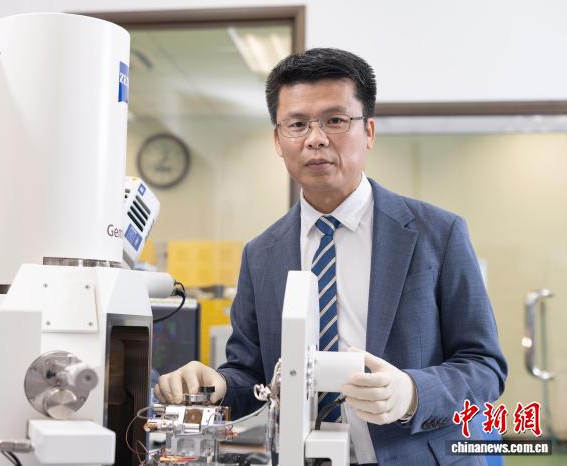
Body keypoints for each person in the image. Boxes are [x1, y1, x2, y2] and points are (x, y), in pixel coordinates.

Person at [154, 48, 507, 465]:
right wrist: (216, 384)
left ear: (368, 131)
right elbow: (252, 375)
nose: (315, 138)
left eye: (335, 120)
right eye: (297, 124)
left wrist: (412, 392)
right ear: (277, 140)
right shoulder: (261, 255)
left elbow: (484, 366)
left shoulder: (438, 234)